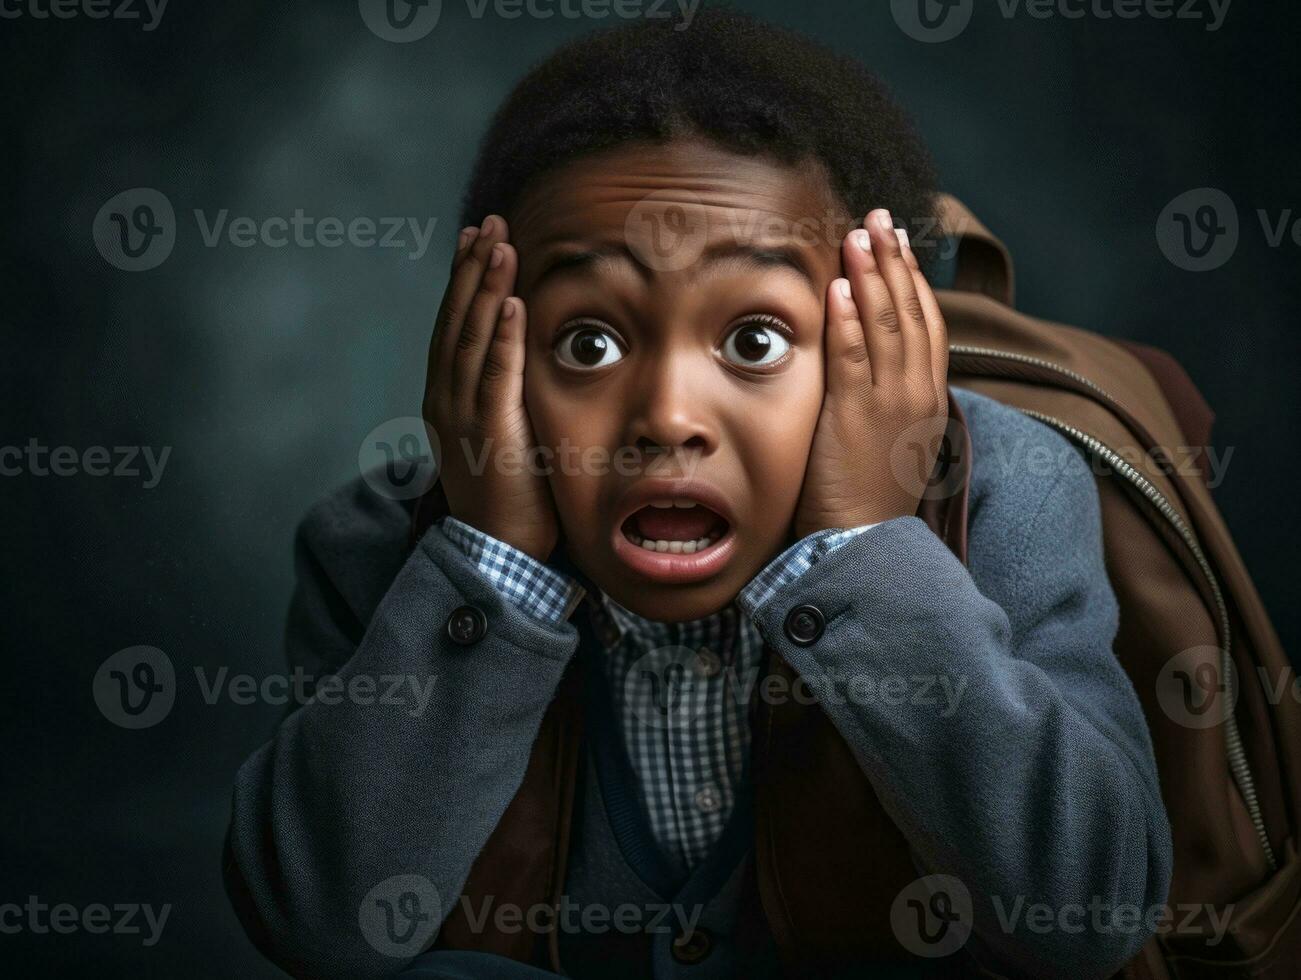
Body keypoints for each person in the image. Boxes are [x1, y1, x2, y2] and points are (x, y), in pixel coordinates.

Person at [224, 9, 1172, 978]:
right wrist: (489, 560)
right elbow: (320, 925)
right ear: (490, 354)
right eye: (586, 343)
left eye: (753, 340)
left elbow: (1086, 913)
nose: (668, 415)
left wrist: (867, 542)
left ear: (868, 351)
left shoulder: (1005, 490)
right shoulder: (383, 547)